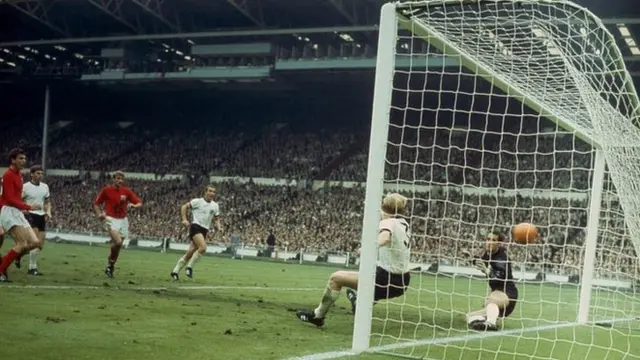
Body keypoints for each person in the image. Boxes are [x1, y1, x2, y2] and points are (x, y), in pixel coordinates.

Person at [296, 193, 411, 327]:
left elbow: (385, 237)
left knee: (336, 278)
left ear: (384, 207)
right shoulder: (403, 223)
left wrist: (369, 247)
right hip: (403, 280)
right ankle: (358, 301)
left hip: (386, 279)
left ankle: (318, 316)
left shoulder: (387, 222)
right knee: (366, 277)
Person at [0, 149, 42, 282]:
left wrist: (22, 208)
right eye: (20, 158)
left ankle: (8, 260)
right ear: (13, 160)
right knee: (22, 243)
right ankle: (1, 270)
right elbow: (9, 198)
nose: (24, 161)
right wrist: (28, 207)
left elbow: (16, 197)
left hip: (17, 211)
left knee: (35, 242)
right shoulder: (8, 175)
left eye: (24, 158)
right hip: (9, 211)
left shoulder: (20, 175)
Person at [93, 171, 142, 278]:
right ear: (113, 179)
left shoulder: (126, 191)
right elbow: (96, 204)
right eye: (118, 178)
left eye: (121, 179)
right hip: (110, 219)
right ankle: (110, 263)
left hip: (123, 221)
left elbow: (139, 202)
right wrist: (99, 214)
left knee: (118, 247)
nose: (120, 181)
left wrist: (134, 206)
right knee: (118, 242)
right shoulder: (106, 190)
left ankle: (110, 266)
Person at [466, 231, 519, 331]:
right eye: (488, 239)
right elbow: (482, 261)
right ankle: (481, 323)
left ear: (499, 244)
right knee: (469, 316)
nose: (489, 242)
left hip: (507, 294)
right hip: (495, 299)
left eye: (493, 240)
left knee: (492, 298)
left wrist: (486, 271)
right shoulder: (489, 254)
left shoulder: (501, 259)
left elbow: (496, 280)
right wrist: (472, 259)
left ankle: (491, 323)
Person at [170, 185, 221, 280]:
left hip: (204, 230)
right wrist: (184, 219)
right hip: (195, 227)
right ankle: (189, 267)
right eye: (210, 191)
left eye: (214, 192)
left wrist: (218, 226)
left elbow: (217, 218)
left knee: (190, 252)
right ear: (205, 192)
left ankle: (175, 271)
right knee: (203, 247)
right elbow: (184, 207)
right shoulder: (197, 201)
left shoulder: (215, 205)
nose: (212, 193)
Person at [16, 165, 51, 275]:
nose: (40, 175)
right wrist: (23, 209)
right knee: (34, 242)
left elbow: (47, 202)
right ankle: (32, 268)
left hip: (41, 216)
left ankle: (18, 254)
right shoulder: (25, 187)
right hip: (30, 214)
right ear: (32, 174)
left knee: (39, 245)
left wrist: (48, 212)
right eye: (37, 173)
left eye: (41, 173)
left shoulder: (45, 186)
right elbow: (18, 201)